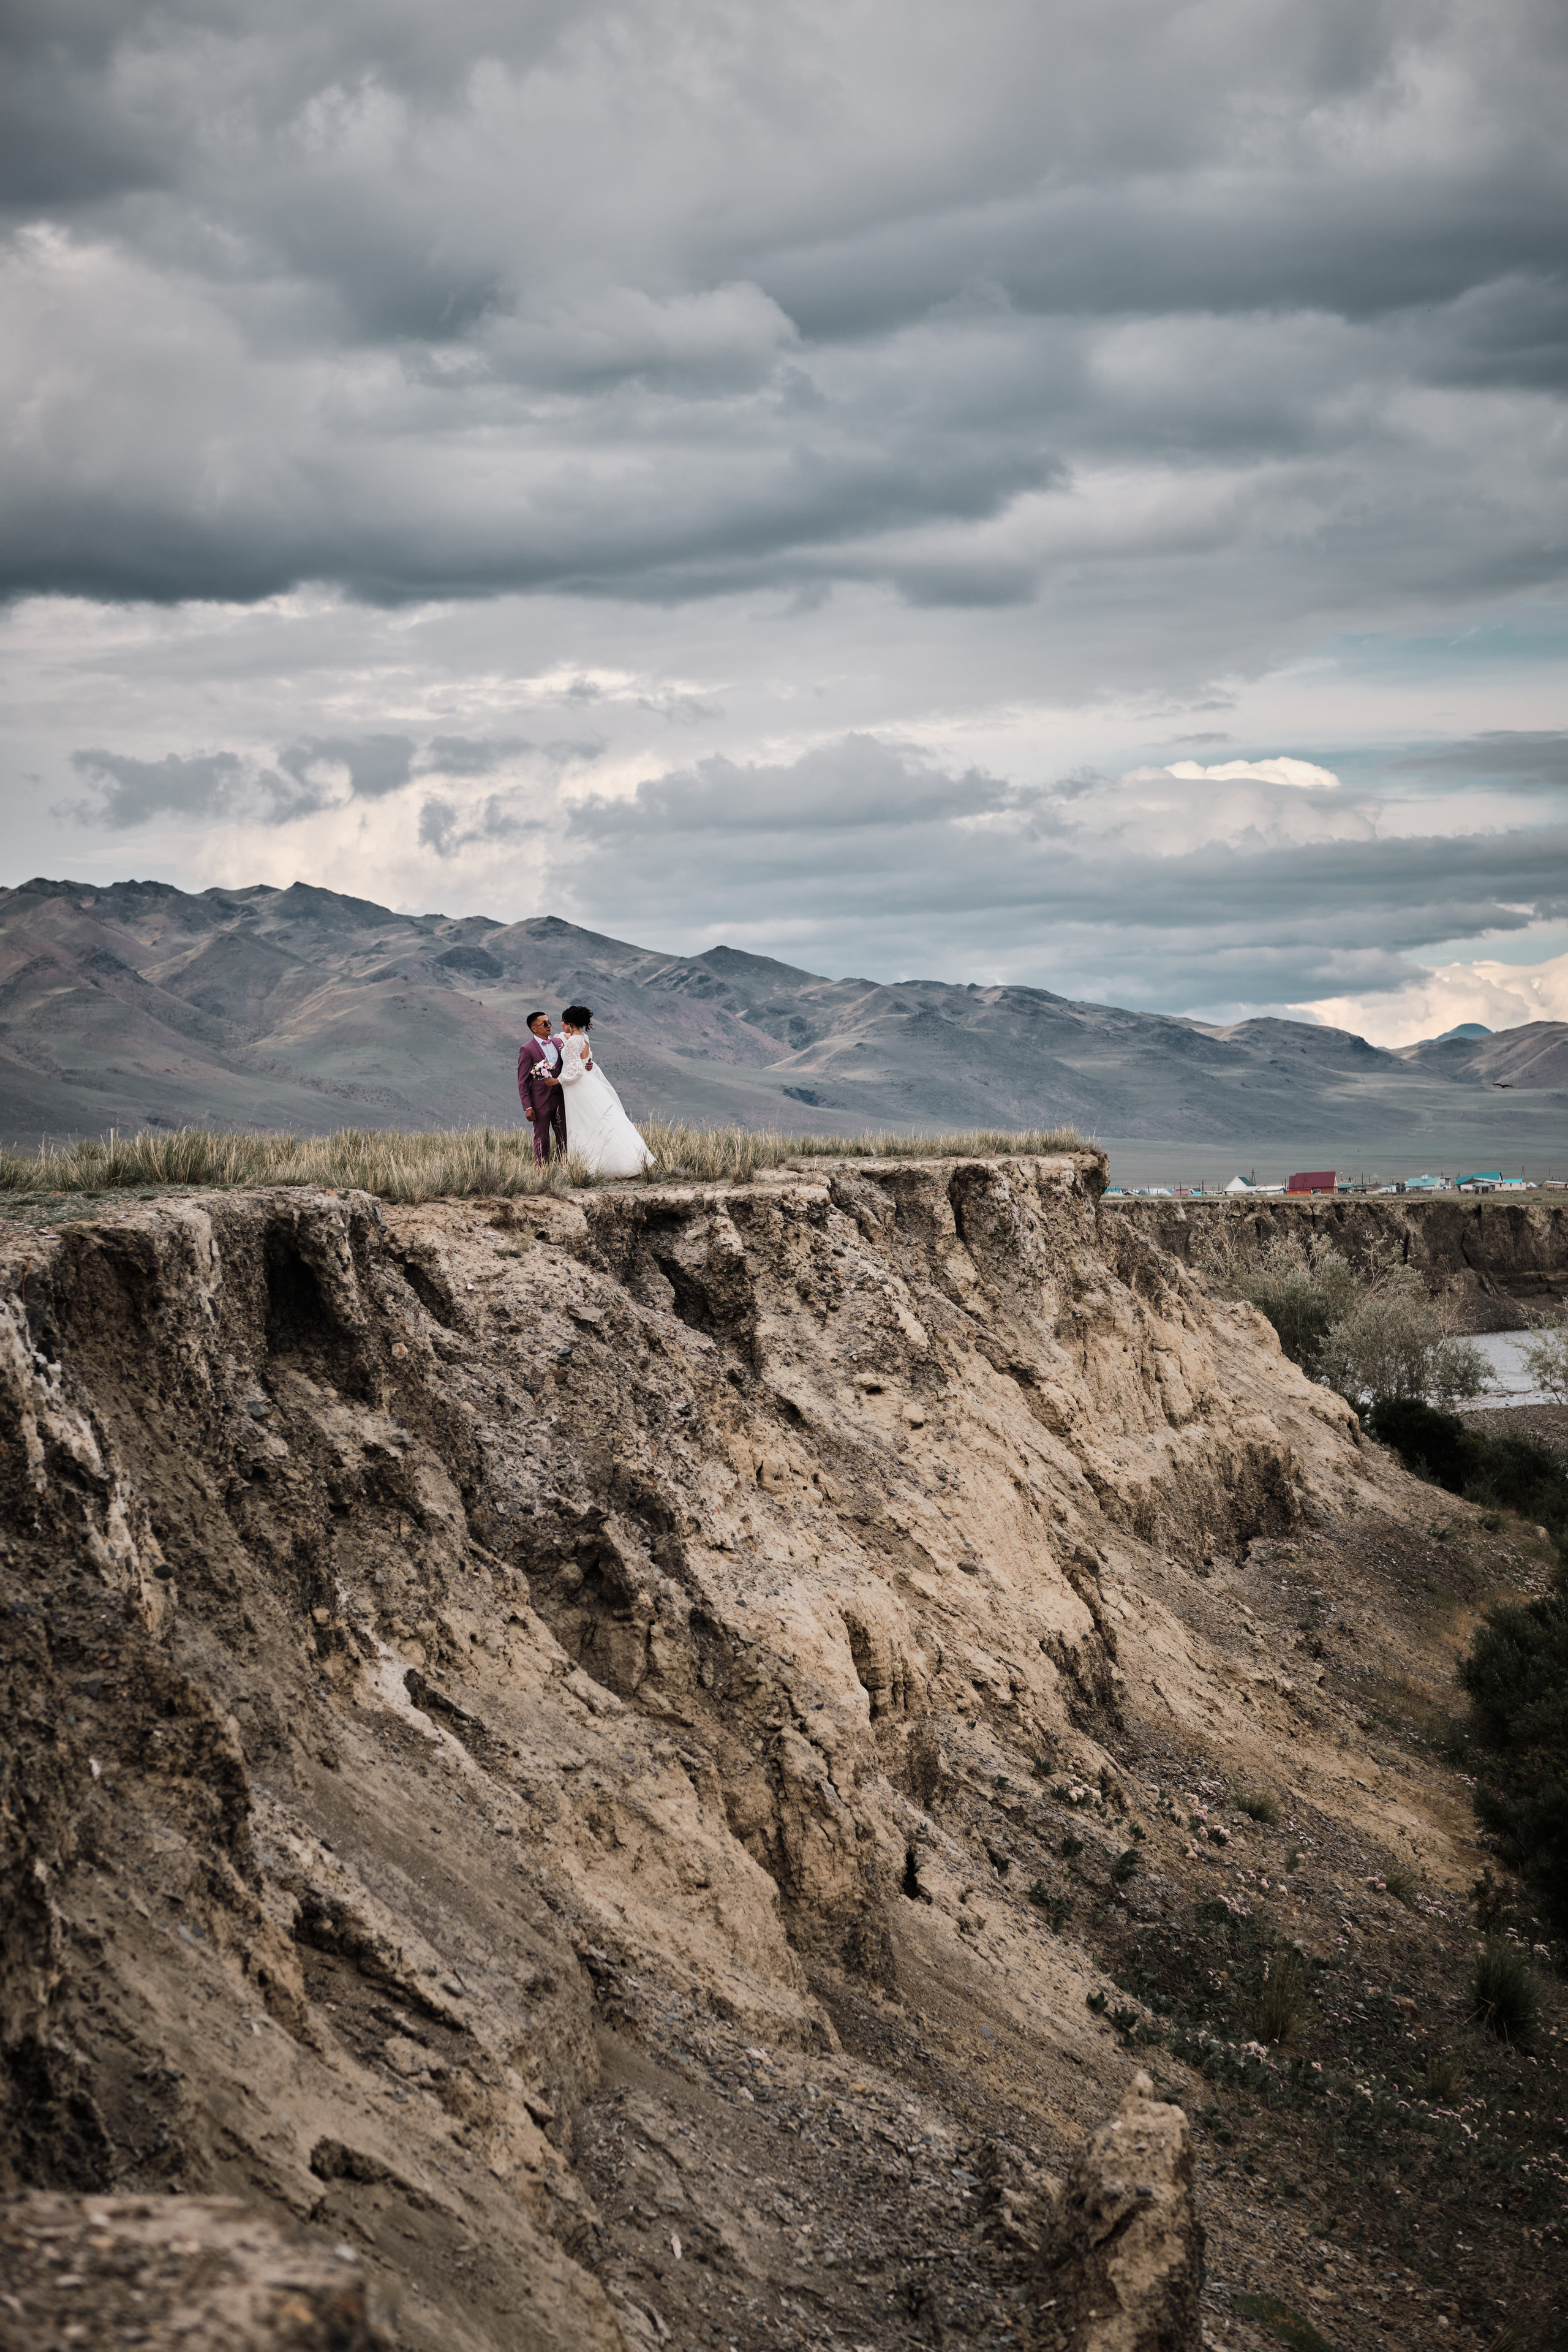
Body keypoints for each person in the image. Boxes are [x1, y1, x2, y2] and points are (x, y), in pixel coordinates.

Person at [554, 1005, 653, 1177]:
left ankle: (588, 1166)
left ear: (569, 1023)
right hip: (587, 1084)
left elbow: (575, 1070)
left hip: (576, 1087)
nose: (561, 1024)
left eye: (562, 1021)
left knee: (582, 1123)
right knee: (596, 1122)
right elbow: (586, 1061)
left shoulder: (572, 1042)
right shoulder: (584, 1038)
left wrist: (557, 1080)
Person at [517, 1010, 567, 1164]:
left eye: (549, 1022)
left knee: (564, 1135)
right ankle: (542, 1170)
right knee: (542, 1137)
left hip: (561, 1097)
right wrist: (528, 1107)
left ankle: (565, 1167)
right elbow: (523, 1081)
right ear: (534, 1028)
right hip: (540, 1102)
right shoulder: (527, 1049)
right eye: (544, 1023)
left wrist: (587, 1064)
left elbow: (571, 1065)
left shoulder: (559, 1043)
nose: (549, 1025)